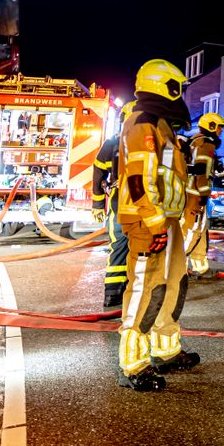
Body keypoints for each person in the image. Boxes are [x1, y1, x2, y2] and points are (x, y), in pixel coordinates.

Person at [114, 59, 196, 391]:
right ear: (166, 86)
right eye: (178, 88)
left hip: (167, 219)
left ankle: (166, 349)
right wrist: (154, 222)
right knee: (145, 288)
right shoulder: (142, 123)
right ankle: (134, 363)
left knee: (175, 283)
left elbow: (168, 176)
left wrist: (184, 210)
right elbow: (138, 179)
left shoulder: (162, 126)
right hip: (149, 222)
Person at [93, 101, 135, 310]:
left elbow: (99, 171)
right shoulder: (147, 142)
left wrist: (98, 203)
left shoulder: (113, 143)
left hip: (119, 204)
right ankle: (130, 292)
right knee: (136, 249)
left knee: (118, 249)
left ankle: (113, 295)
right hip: (135, 206)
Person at [183, 113, 224, 279]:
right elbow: (201, 172)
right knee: (192, 230)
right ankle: (176, 267)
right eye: (219, 127)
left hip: (192, 192)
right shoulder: (206, 144)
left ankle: (200, 267)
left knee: (201, 230)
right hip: (195, 195)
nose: (221, 131)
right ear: (211, 126)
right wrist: (203, 193)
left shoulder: (195, 141)